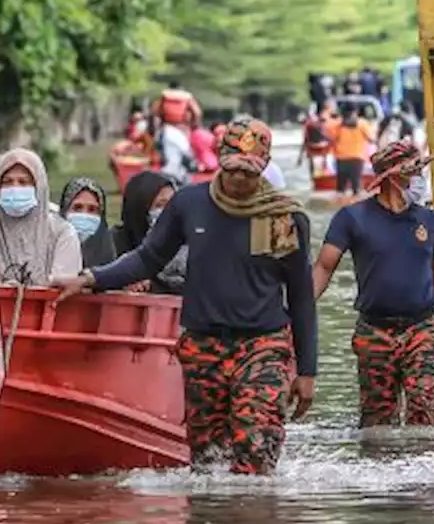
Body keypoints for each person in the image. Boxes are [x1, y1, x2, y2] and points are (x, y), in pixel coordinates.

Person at [55, 117, 317, 476]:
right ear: (220, 160)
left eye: (250, 172)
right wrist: (91, 279)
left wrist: (307, 370)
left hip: (263, 345)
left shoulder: (283, 217)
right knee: (207, 461)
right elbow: (148, 257)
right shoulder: (189, 205)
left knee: (255, 451)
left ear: (265, 167)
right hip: (203, 346)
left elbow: (301, 295)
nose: (240, 179)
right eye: (234, 169)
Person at [312, 139, 434, 427]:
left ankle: (426, 469)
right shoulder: (352, 218)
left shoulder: (431, 221)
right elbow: (323, 269)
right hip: (374, 331)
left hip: (423, 328)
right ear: (393, 175)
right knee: (378, 424)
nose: (420, 179)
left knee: (427, 411)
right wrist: (291, 319)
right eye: (414, 171)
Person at [0, 148, 82, 285]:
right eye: (7, 182)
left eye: (23, 182)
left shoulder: (62, 233)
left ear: (39, 187)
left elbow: (63, 285)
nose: (15, 188)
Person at [111, 170, 186, 294]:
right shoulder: (114, 243)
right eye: (160, 205)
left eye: (172, 205)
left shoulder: (185, 243)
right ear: (140, 208)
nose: (168, 212)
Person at [60, 177, 117, 267]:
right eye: (77, 208)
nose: (84, 215)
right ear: (64, 211)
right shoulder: (47, 254)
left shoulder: (110, 258)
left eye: (92, 209)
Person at [328, 107, 375, 197]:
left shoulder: (337, 124)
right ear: (356, 112)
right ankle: (357, 208)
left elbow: (331, 139)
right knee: (356, 189)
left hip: (341, 159)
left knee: (340, 189)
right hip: (357, 158)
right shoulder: (362, 124)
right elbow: (371, 139)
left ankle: (340, 207)